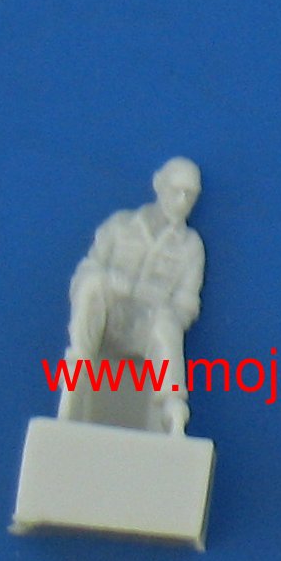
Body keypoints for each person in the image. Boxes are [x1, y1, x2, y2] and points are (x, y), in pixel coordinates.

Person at [58, 157, 205, 434]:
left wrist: (163, 310)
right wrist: (126, 287)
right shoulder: (120, 226)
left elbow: (187, 304)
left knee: (166, 323)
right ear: (159, 184)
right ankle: (76, 377)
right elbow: (87, 271)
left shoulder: (190, 246)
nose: (182, 201)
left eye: (190, 195)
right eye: (177, 190)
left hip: (147, 329)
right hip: (105, 320)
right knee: (92, 284)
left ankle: (173, 408)